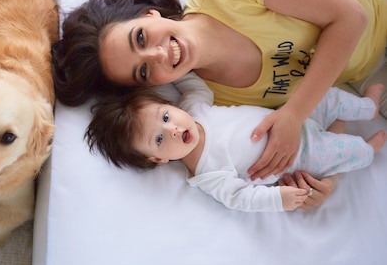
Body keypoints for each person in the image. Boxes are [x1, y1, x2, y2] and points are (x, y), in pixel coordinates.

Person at [52, 0, 387, 201]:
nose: (157, 54)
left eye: (140, 37)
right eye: (142, 72)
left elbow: (351, 17)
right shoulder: (218, 106)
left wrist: (293, 114)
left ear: (149, 15)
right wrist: (328, 177)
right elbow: (318, 117)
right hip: (369, 76)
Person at [85, 73, 386, 212]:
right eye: (160, 139)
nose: (174, 129)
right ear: (158, 159)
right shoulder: (207, 174)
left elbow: (191, 81)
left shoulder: (194, 109)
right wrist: (277, 198)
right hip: (302, 153)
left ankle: (367, 107)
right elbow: (241, 198)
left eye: (166, 116)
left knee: (329, 96)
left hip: (291, 118)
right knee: (346, 151)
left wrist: (166, 72)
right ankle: (368, 149)